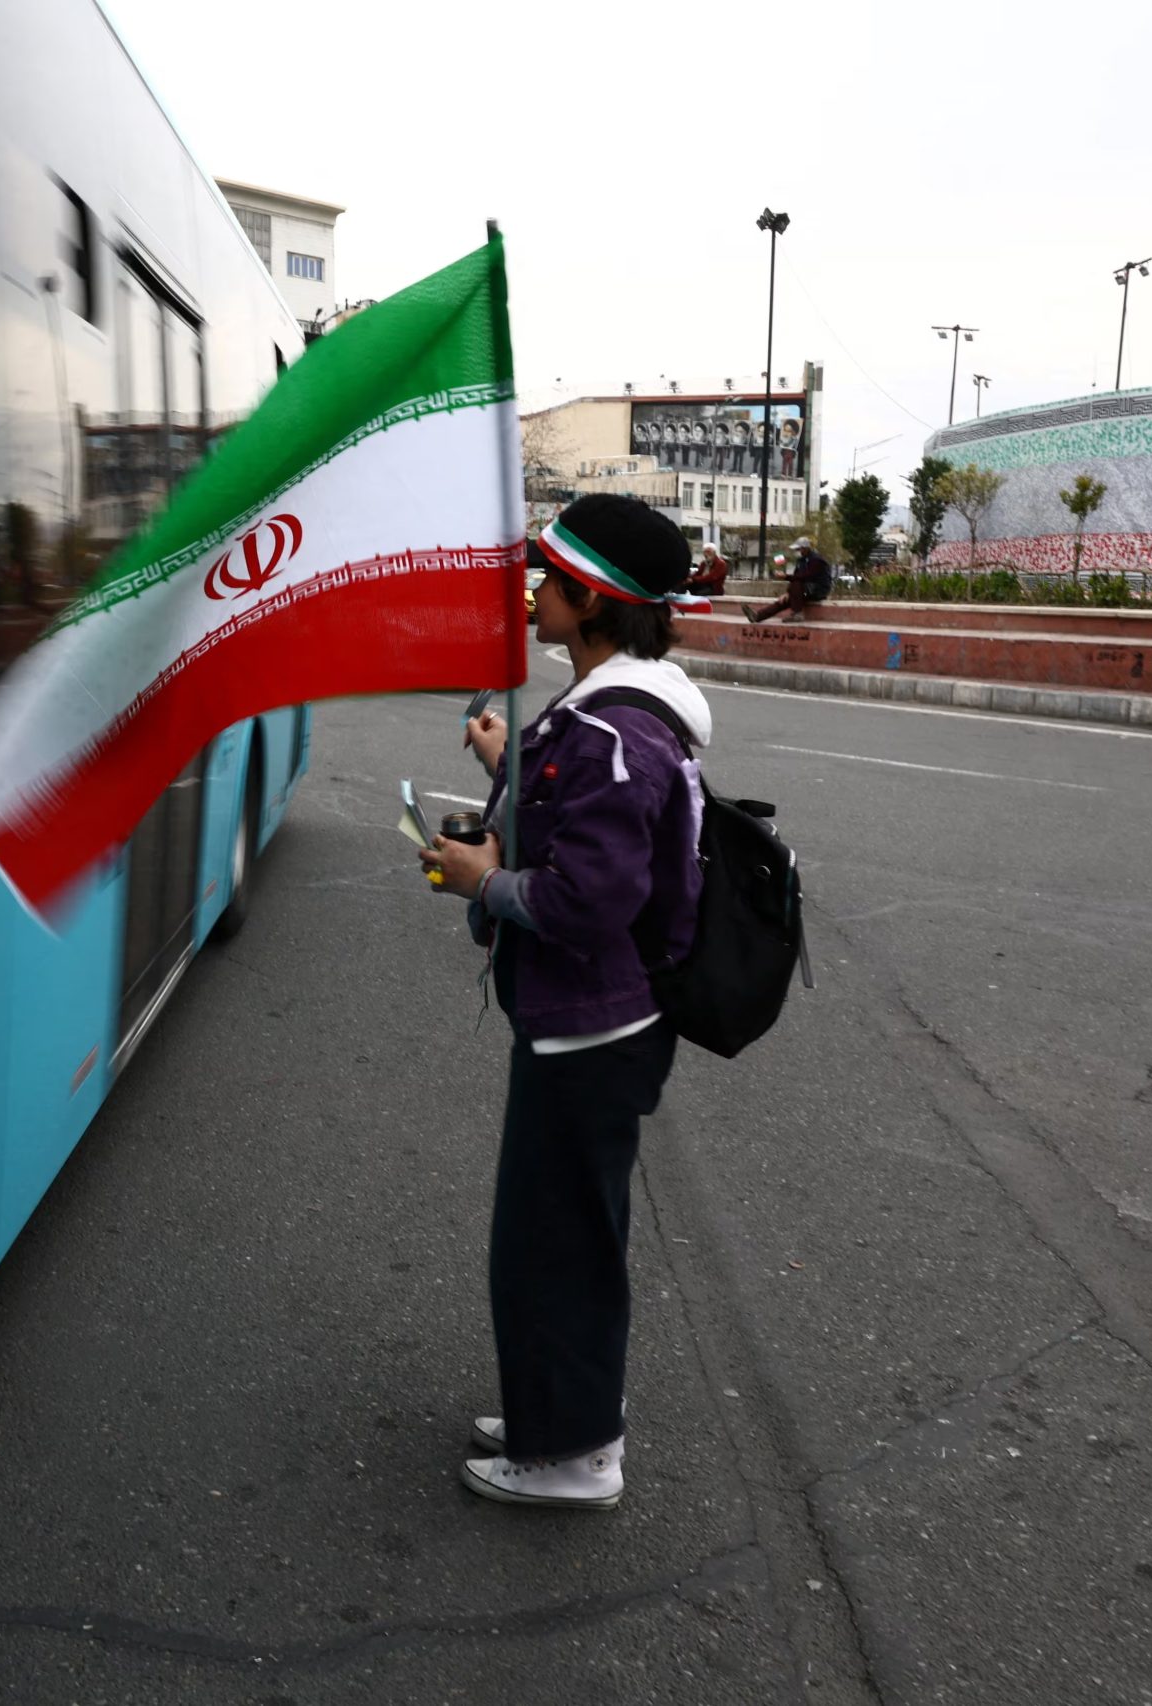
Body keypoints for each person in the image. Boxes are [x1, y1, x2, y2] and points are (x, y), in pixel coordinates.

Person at [417, 493, 711, 1511]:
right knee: (556, 1231)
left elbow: (590, 900)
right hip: (586, 1019)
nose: (534, 593)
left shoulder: (608, 731)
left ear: (589, 600)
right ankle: (556, 1411)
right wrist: (508, 764)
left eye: (548, 578)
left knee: (557, 1240)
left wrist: (480, 884)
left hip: (591, 1025)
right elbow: (586, 824)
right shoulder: (614, 712)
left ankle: (573, 1453)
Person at [744, 536, 831, 624]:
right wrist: (788, 592)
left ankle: (797, 614)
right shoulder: (801, 561)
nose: (798, 552)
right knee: (783, 601)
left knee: (797, 583)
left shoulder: (816, 560)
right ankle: (758, 616)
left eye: (799, 549)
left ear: (805, 548)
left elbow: (804, 577)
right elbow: (796, 577)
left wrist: (785, 577)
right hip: (805, 589)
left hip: (818, 589)